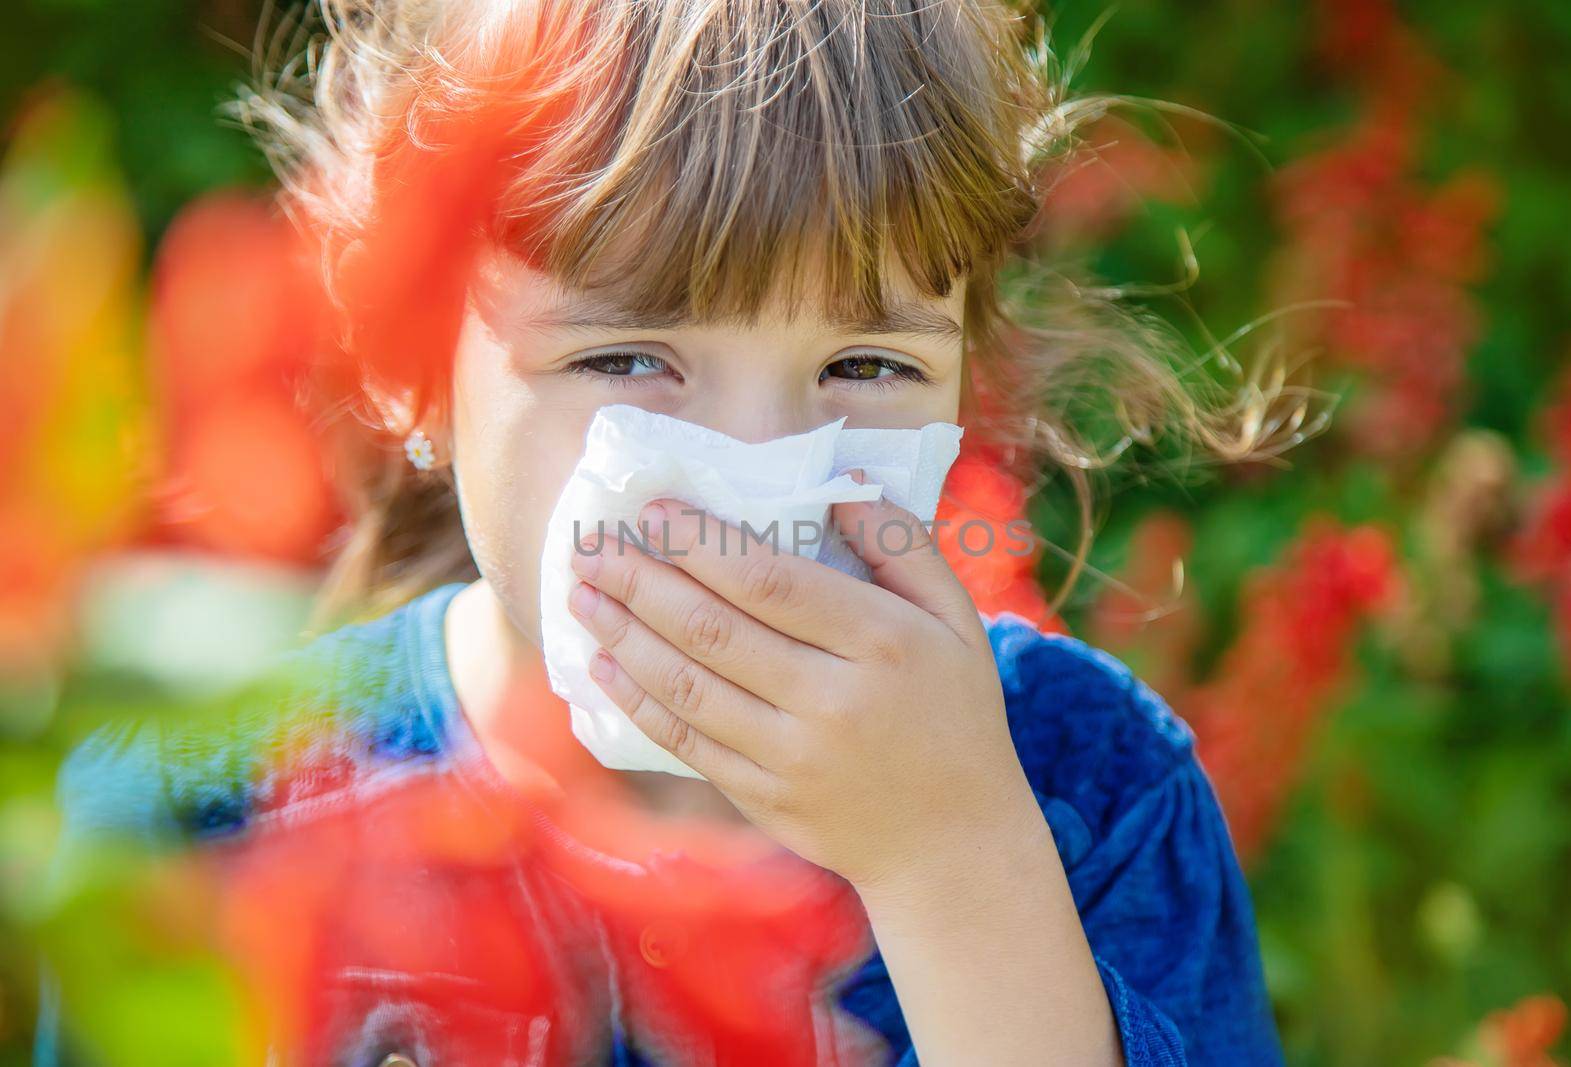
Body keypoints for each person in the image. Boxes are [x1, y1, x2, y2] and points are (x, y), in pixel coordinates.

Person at [41, 0, 1287, 1063]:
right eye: (629, 354)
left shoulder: (1093, 795)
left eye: (863, 361)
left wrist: (954, 861)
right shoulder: (207, 819)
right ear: (412, 369)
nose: (753, 465)